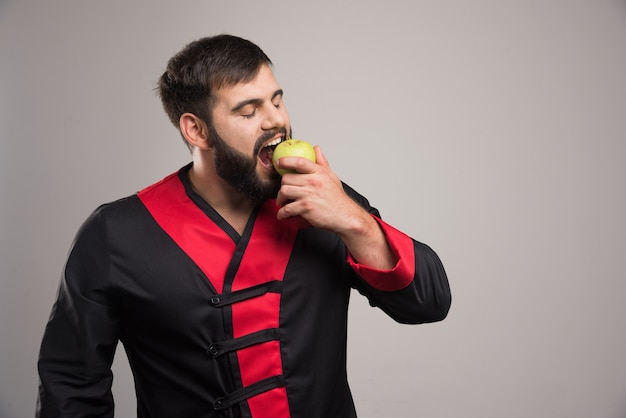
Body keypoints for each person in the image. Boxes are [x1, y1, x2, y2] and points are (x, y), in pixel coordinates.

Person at [36, 34, 451, 418]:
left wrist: (355, 223)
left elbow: (429, 303)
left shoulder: (326, 201)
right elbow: (71, 386)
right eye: (248, 110)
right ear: (196, 130)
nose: (275, 121)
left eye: (277, 100)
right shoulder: (116, 233)